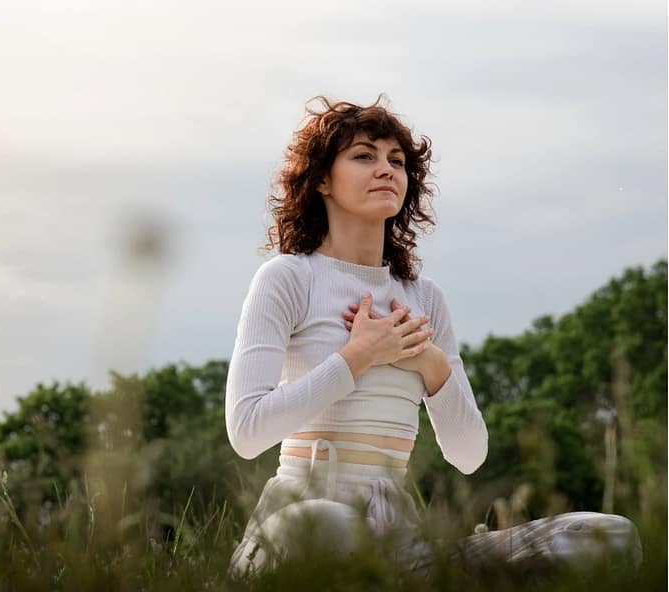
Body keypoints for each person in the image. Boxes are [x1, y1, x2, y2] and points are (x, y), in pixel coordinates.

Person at [224, 95, 642, 577]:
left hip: (400, 541)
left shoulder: (424, 298)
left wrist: (432, 366)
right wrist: (357, 357)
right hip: (299, 525)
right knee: (325, 525)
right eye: (364, 156)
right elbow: (247, 432)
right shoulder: (288, 278)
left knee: (609, 534)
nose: (386, 169)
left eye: (396, 161)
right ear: (321, 179)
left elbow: (469, 456)